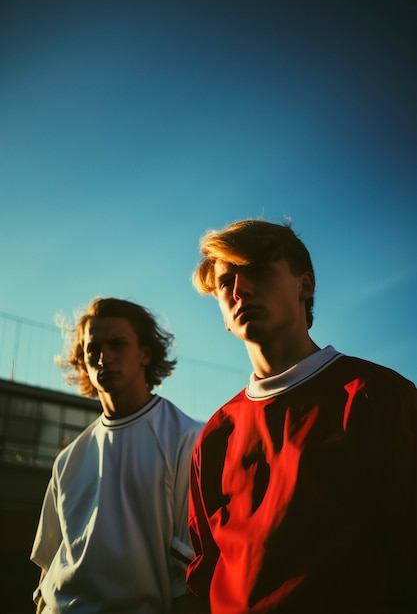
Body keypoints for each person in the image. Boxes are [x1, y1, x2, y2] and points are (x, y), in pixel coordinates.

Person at [186, 219, 417, 614]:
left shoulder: (378, 396)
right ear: (222, 314)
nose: (240, 289)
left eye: (258, 270)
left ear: (305, 285)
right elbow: (206, 574)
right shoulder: (215, 435)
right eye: (226, 282)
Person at [31, 297, 203, 614]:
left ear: (145, 353)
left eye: (118, 344)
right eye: (93, 348)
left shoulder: (188, 439)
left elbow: (191, 580)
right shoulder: (67, 459)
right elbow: (48, 574)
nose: (103, 357)